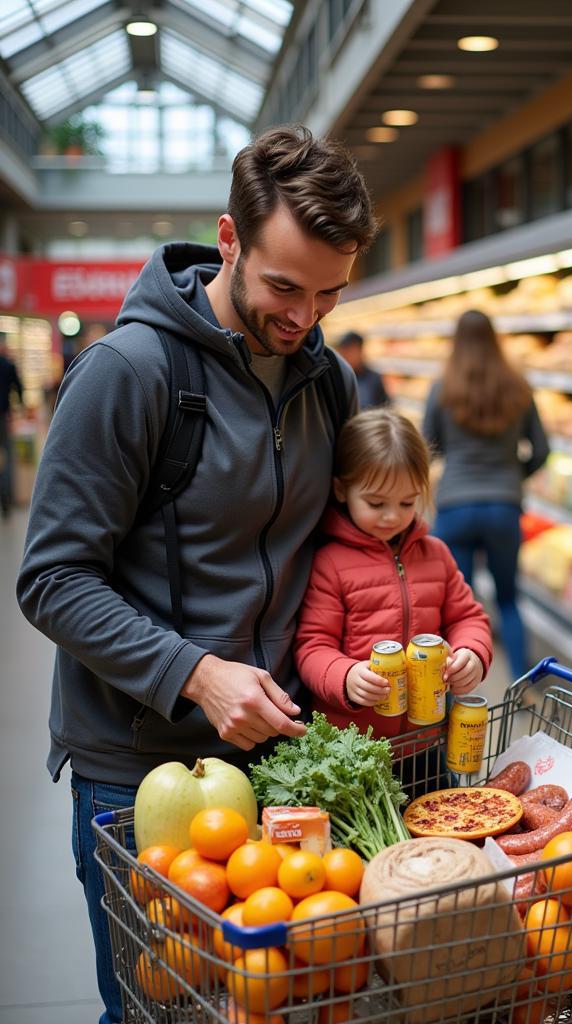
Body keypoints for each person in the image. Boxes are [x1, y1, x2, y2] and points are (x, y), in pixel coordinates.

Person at [17, 124, 376, 1024]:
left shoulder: (325, 380)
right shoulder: (126, 374)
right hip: (142, 769)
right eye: (284, 287)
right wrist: (195, 673)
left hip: (283, 759)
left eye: (330, 294)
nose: (304, 319)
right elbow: (53, 578)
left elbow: (346, 546)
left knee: (272, 1006)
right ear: (228, 241)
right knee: (157, 1010)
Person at [294, 407, 492, 793]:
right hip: (353, 746)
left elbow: (469, 617)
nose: (392, 517)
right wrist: (345, 676)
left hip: (425, 742)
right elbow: (312, 646)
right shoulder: (330, 563)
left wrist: (473, 652)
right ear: (341, 490)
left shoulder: (436, 554)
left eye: (407, 503)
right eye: (376, 502)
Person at [422, 309, 549, 682]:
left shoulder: (443, 387)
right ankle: (525, 685)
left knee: (455, 608)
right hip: (503, 507)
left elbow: (428, 446)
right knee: (509, 599)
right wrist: (512, 478)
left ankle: (446, 690)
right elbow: (541, 449)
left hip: (454, 506)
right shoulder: (517, 386)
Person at [337, 329, 390, 408]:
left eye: (350, 351)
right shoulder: (337, 377)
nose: (346, 356)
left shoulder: (374, 379)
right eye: (344, 352)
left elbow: (385, 407)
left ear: (360, 350)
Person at [0, 338, 23, 516]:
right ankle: (6, 496)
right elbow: (19, 388)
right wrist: (19, 409)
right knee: (7, 457)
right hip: (4, 417)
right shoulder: (9, 365)